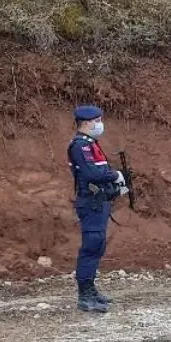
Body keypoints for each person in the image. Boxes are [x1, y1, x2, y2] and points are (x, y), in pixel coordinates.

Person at [68, 105, 128, 313]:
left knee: (98, 245)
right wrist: (114, 176)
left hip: (99, 201)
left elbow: (99, 169)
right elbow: (92, 173)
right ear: (86, 123)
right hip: (90, 202)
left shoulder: (91, 144)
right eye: (97, 121)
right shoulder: (80, 145)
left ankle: (91, 289)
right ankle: (84, 295)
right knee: (91, 245)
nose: (99, 124)